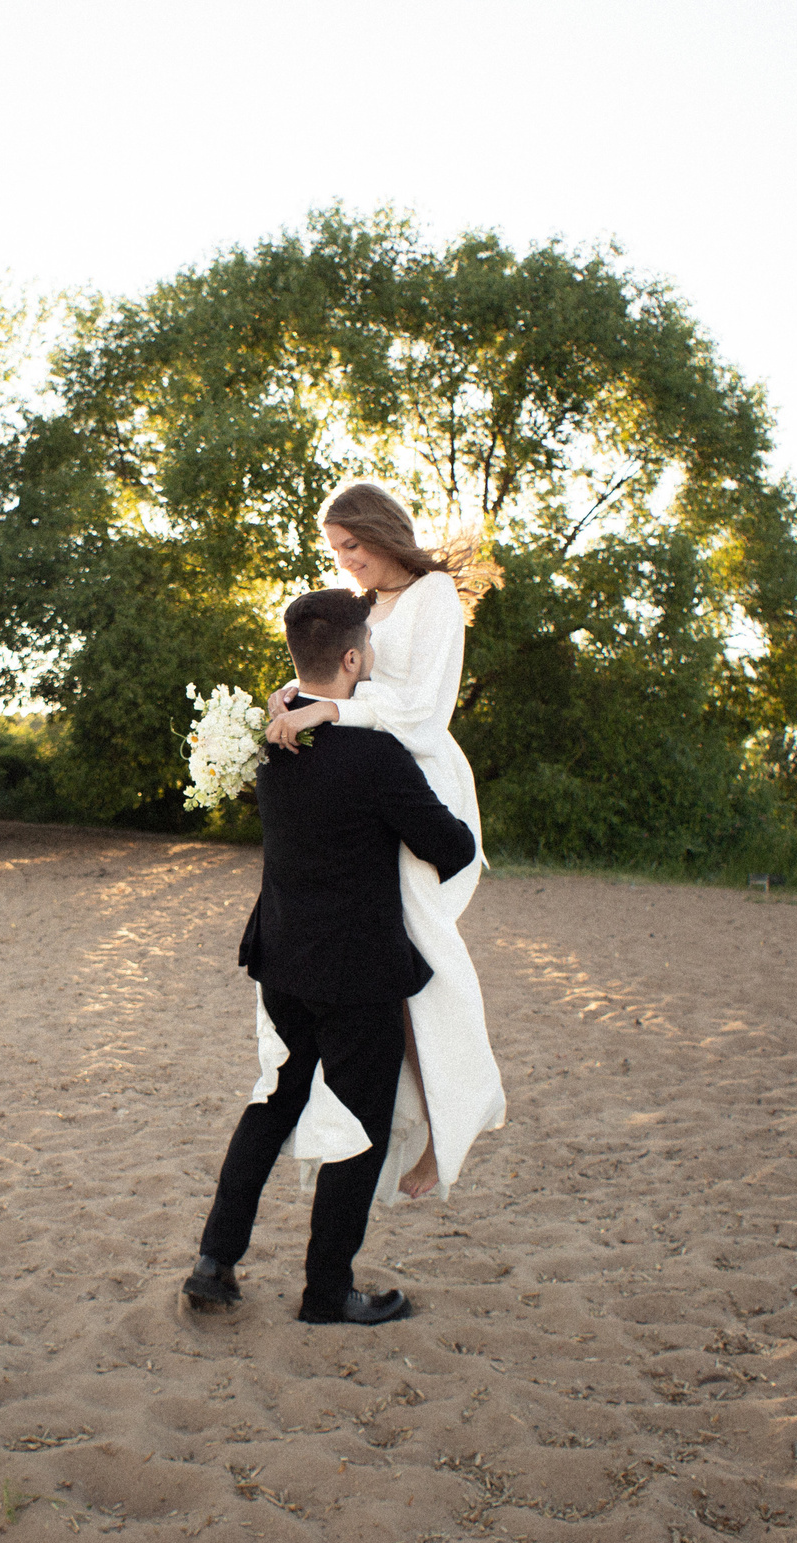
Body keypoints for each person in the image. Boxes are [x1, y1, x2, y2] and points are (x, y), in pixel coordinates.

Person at [185, 588, 477, 1325]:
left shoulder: (274, 742)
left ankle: (215, 1262)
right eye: (370, 648)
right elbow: (453, 847)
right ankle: (325, 1291)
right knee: (358, 1124)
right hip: (357, 975)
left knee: (270, 1102)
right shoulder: (377, 755)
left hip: (281, 958)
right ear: (352, 659)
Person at [260, 482, 505, 1203]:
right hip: (367, 788)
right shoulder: (364, 607)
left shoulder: (433, 598)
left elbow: (423, 709)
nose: (346, 561)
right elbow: (343, 670)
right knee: (387, 966)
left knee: (421, 954)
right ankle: (415, 1118)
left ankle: (448, 1117)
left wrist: (330, 706)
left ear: (380, 531)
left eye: (352, 546)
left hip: (418, 785)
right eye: (336, 551)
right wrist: (292, 696)